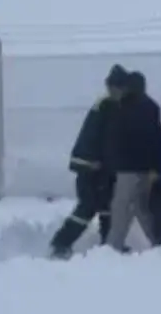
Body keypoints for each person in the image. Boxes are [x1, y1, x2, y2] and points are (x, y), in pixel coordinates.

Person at [48, 64, 127, 259]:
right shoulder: (107, 108)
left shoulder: (108, 106)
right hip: (91, 168)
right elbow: (103, 141)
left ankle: (108, 246)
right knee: (88, 207)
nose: (116, 90)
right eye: (113, 86)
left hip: (98, 167)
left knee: (108, 206)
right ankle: (61, 243)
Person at [104, 71, 161, 252]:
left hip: (127, 167)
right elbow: (157, 138)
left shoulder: (123, 106)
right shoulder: (152, 106)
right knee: (142, 207)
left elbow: (115, 138)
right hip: (146, 168)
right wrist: (157, 166)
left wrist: (111, 161)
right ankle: (158, 242)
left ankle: (113, 247)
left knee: (121, 207)